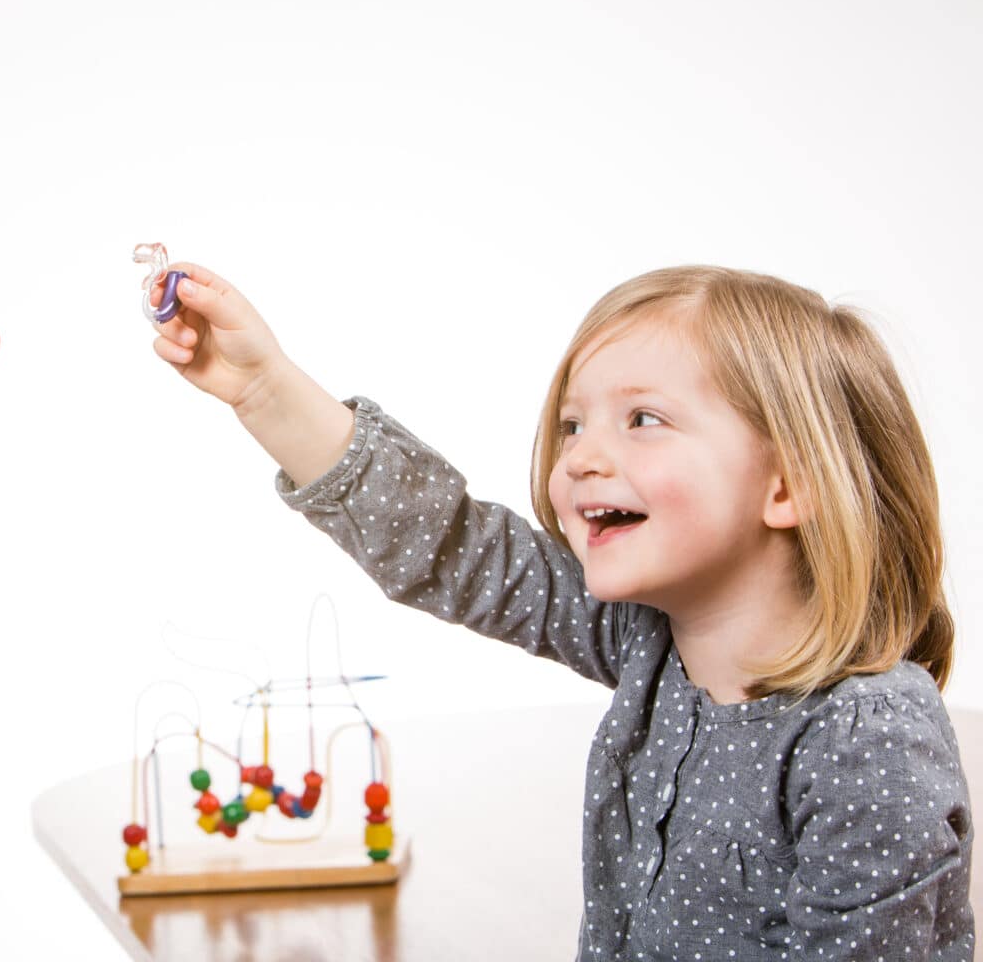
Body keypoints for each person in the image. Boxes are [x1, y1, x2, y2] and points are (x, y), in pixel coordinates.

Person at [147, 262, 973, 959]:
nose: (580, 457)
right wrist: (265, 389)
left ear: (789, 485)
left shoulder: (869, 740)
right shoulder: (650, 644)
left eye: (643, 419)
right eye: (574, 425)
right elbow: (451, 547)